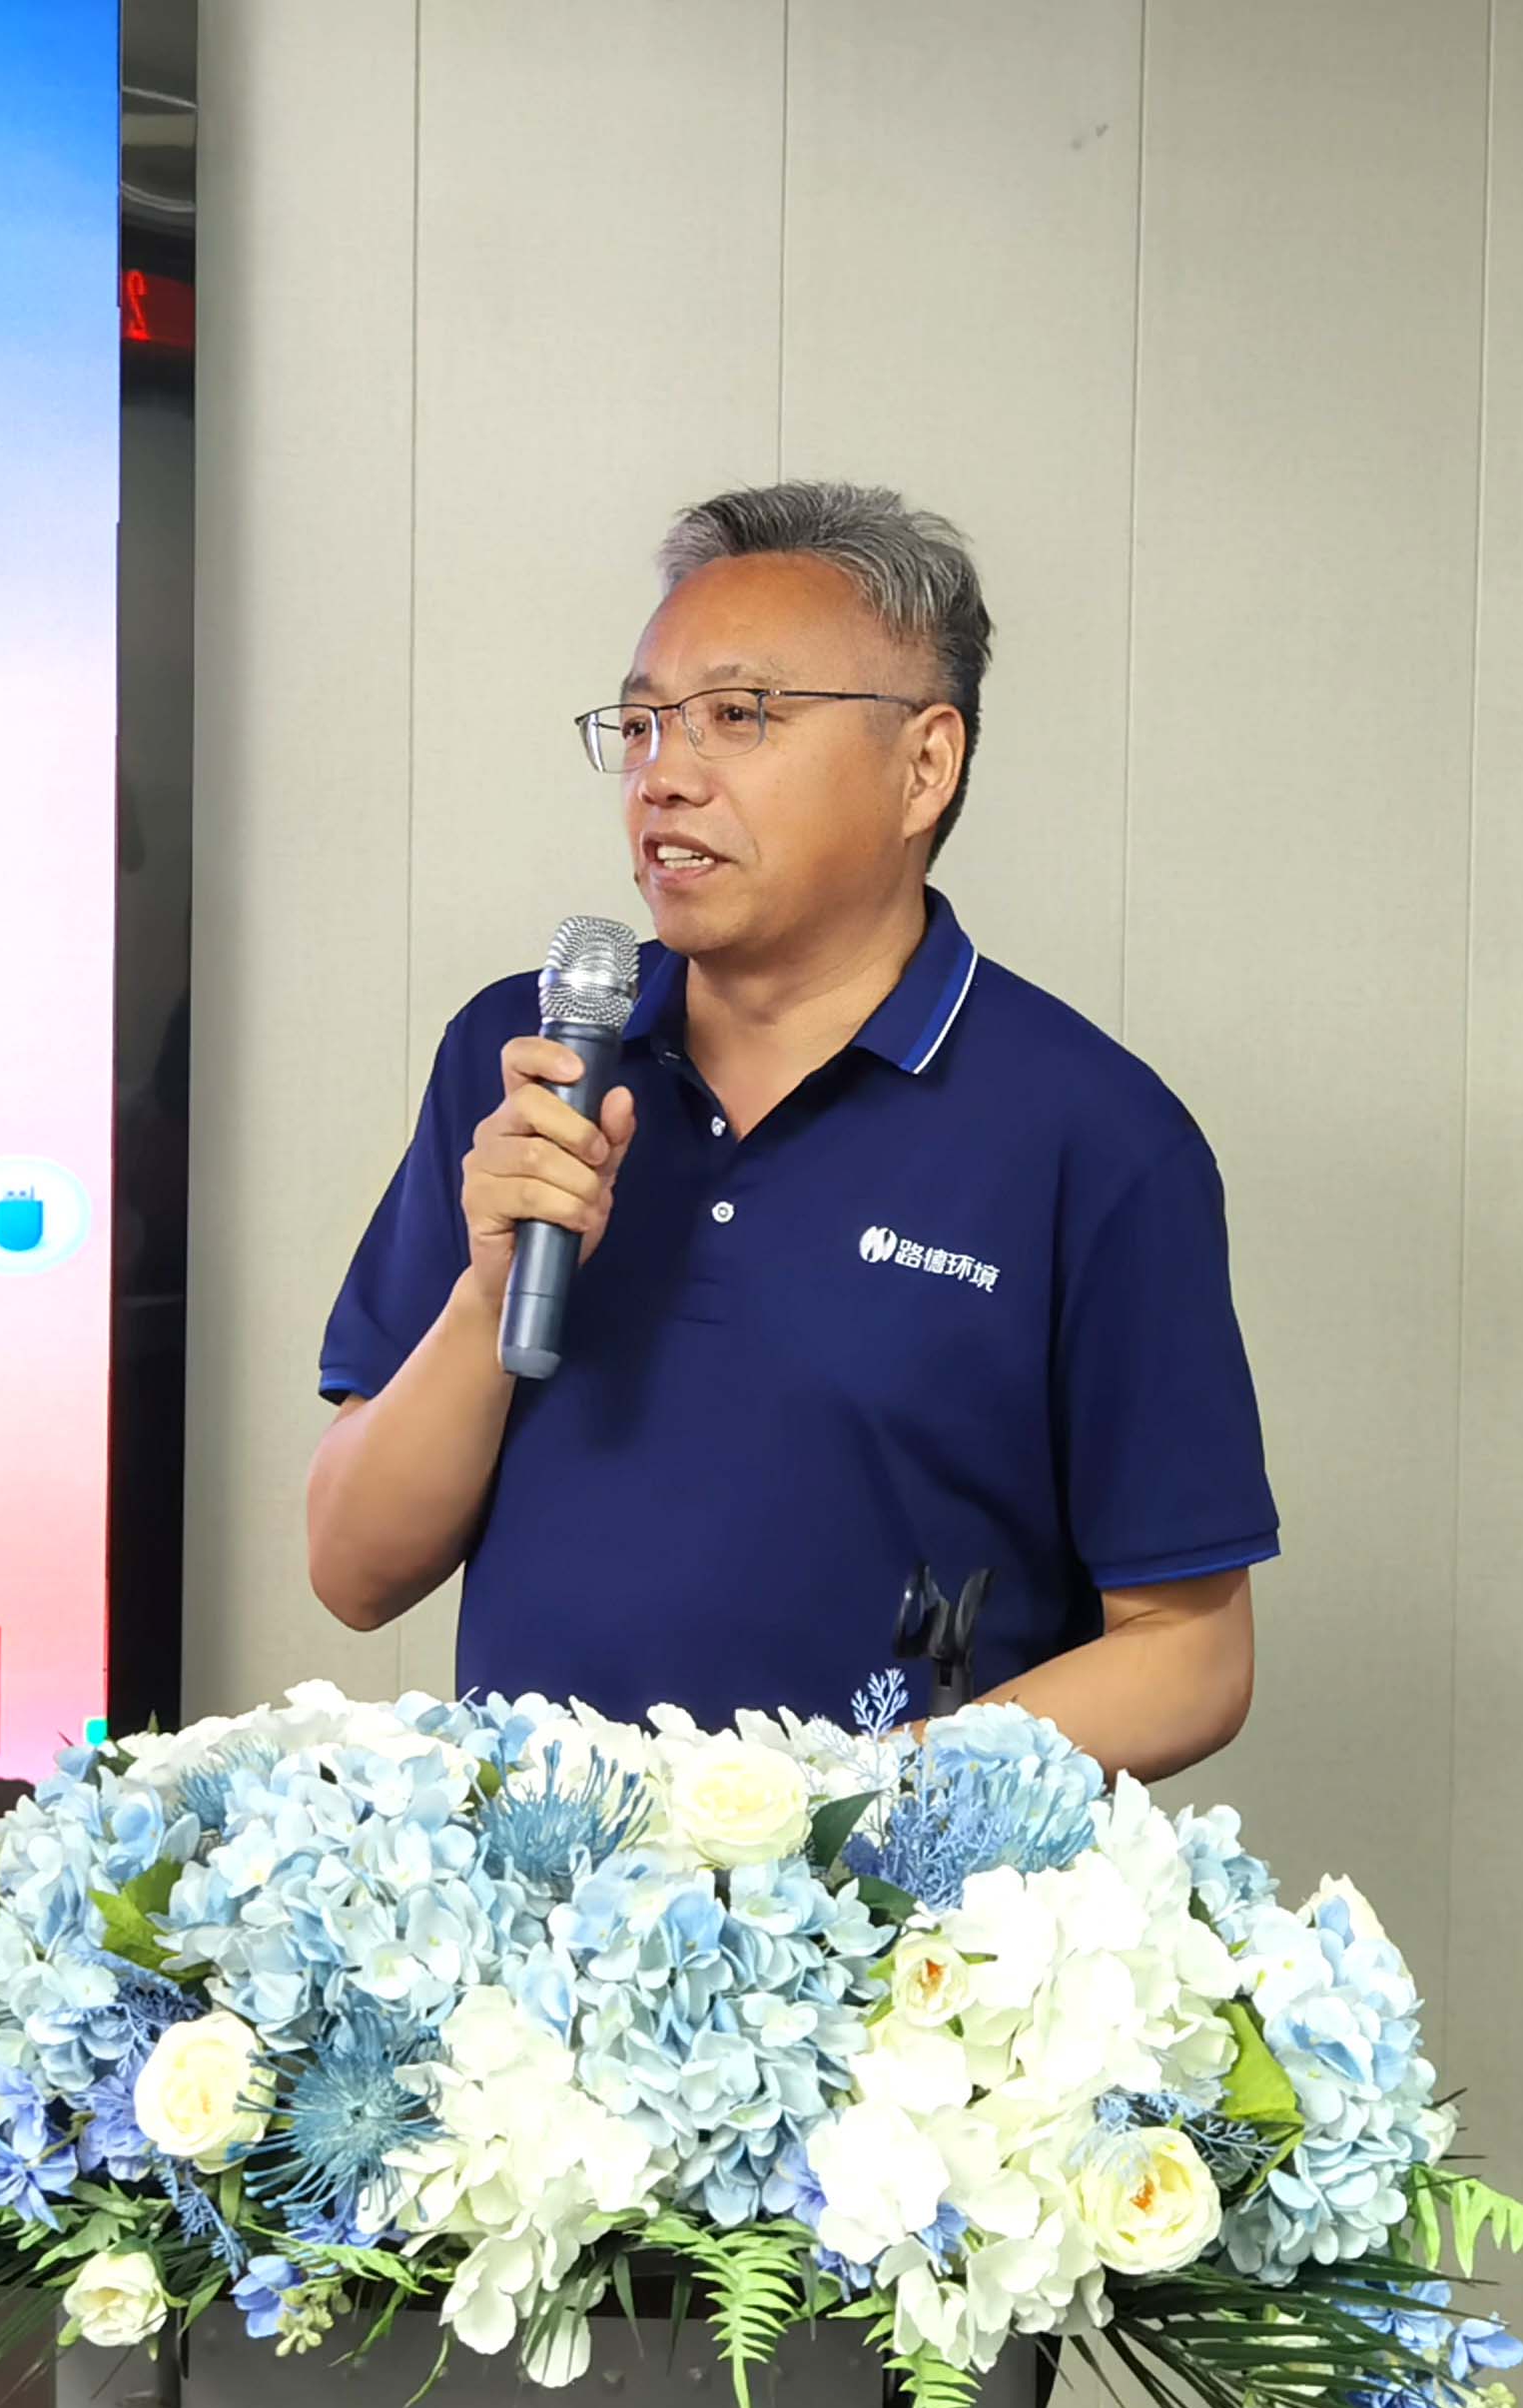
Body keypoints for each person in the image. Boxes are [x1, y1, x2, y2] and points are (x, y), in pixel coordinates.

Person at [306, 482, 1275, 1781]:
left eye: (738, 716)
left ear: (923, 765)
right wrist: (491, 1291)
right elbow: (354, 1570)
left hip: (883, 1899)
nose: (664, 776)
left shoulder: (1092, 1135)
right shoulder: (532, 1059)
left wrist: (835, 1817)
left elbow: (1190, 1654)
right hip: (527, 1889)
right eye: (641, 724)